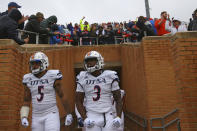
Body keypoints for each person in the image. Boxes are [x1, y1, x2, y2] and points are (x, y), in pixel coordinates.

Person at [20, 51, 73, 131]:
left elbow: (62, 95)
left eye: (37, 63)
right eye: (32, 63)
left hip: (51, 113)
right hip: (36, 115)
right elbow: (26, 100)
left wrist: (69, 114)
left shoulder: (52, 75)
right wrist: (24, 116)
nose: (34, 66)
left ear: (44, 63)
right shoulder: (28, 78)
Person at [75, 51, 123, 131]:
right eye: (87, 61)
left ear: (99, 61)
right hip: (91, 115)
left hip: (108, 115)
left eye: (92, 60)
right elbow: (78, 101)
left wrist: (118, 116)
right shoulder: (82, 77)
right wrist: (85, 118)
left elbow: (118, 99)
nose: (89, 63)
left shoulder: (110, 75)